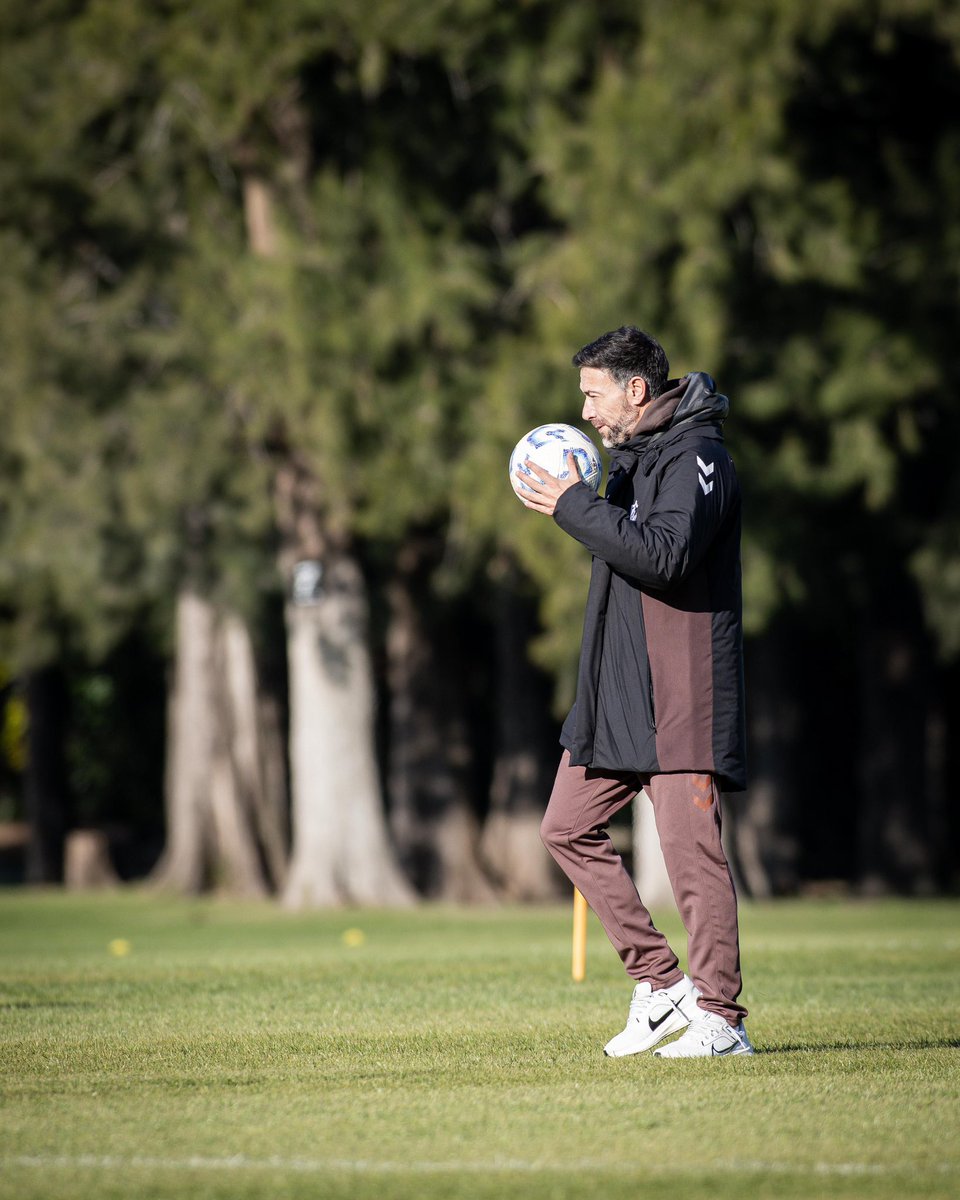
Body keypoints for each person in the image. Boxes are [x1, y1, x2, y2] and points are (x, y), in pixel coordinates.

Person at [516, 325, 752, 1059]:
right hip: (620, 692)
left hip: (683, 689)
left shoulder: (698, 457)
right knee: (564, 826)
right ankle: (658, 982)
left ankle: (721, 1019)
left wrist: (572, 506)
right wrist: (582, 503)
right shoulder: (631, 462)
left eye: (593, 394)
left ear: (636, 389)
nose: (585, 411)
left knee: (691, 858)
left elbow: (666, 556)